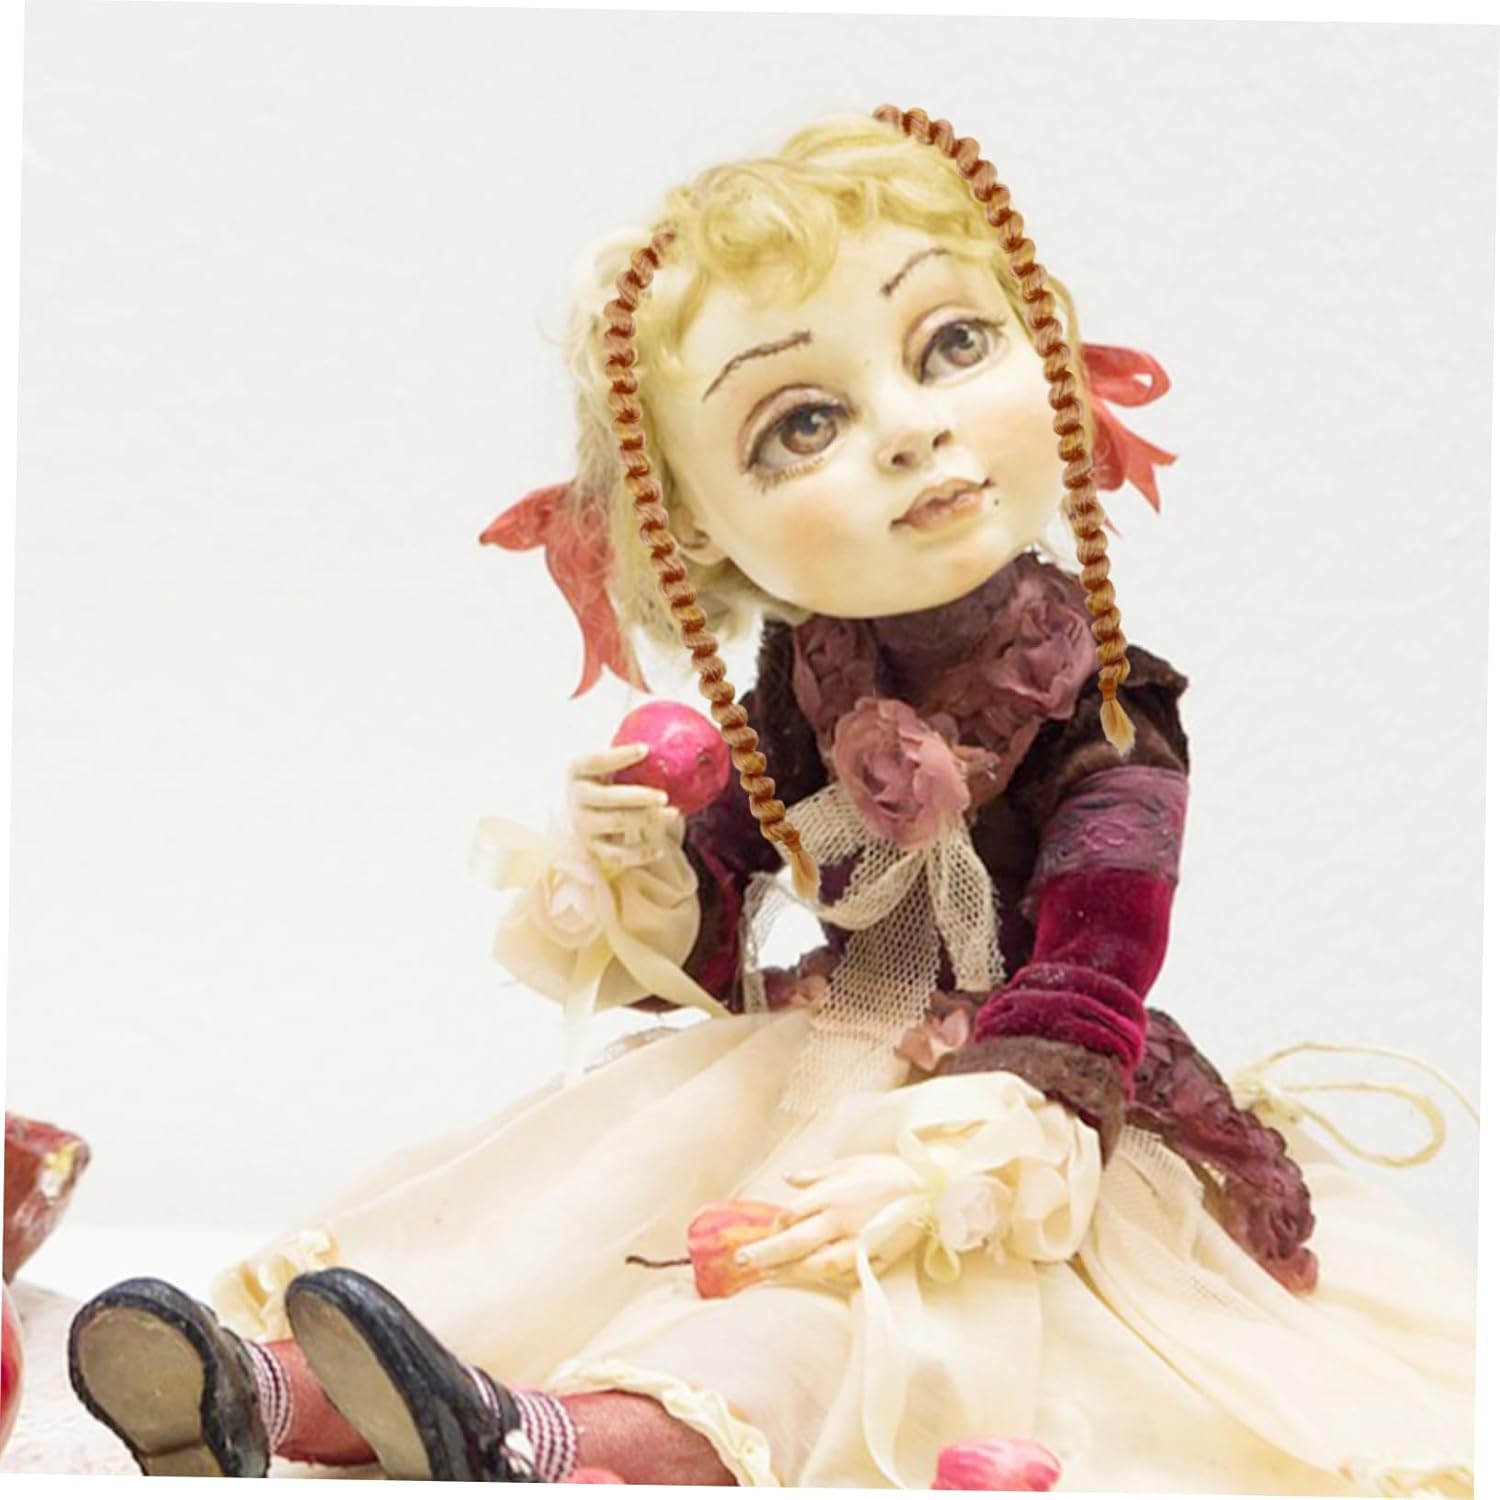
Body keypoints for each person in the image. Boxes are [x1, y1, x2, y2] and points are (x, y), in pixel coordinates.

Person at [67, 106, 1475, 1492]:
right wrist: (650, 869)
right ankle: (283, 1386)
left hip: (1002, 1111)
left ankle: (554, 1440)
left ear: (1047, 348)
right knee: (564, 1221)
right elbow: (720, 924)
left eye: (953, 345)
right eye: (805, 422)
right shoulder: (808, 679)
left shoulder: (1102, 706)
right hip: (810, 1055)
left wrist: (979, 1142)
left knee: (818, 1316)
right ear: (696, 531)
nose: (911, 432)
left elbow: (1099, 951)